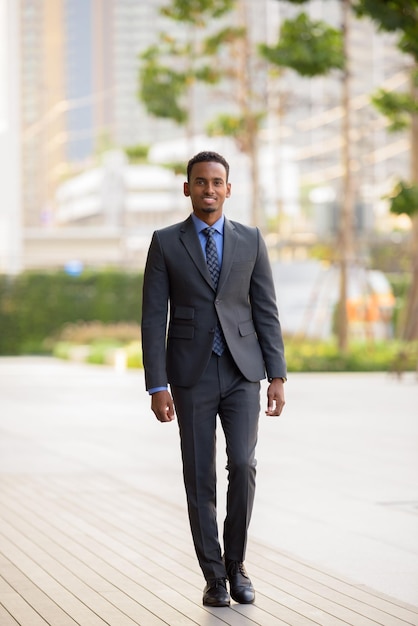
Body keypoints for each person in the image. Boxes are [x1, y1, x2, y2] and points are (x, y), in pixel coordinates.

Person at [141, 151, 287, 607]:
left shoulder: (251, 240)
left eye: (217, 182)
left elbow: (265, 309)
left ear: (229, 188)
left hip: (244, 372)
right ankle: (214, 577)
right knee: (199, 476)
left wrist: (277, 374)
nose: (209, 189)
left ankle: (236, 564)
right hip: (190, 375)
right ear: (188, 189)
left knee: (243, 466)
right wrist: (156, 384)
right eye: (200, 182)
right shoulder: (166, 242)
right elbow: (152, 318)